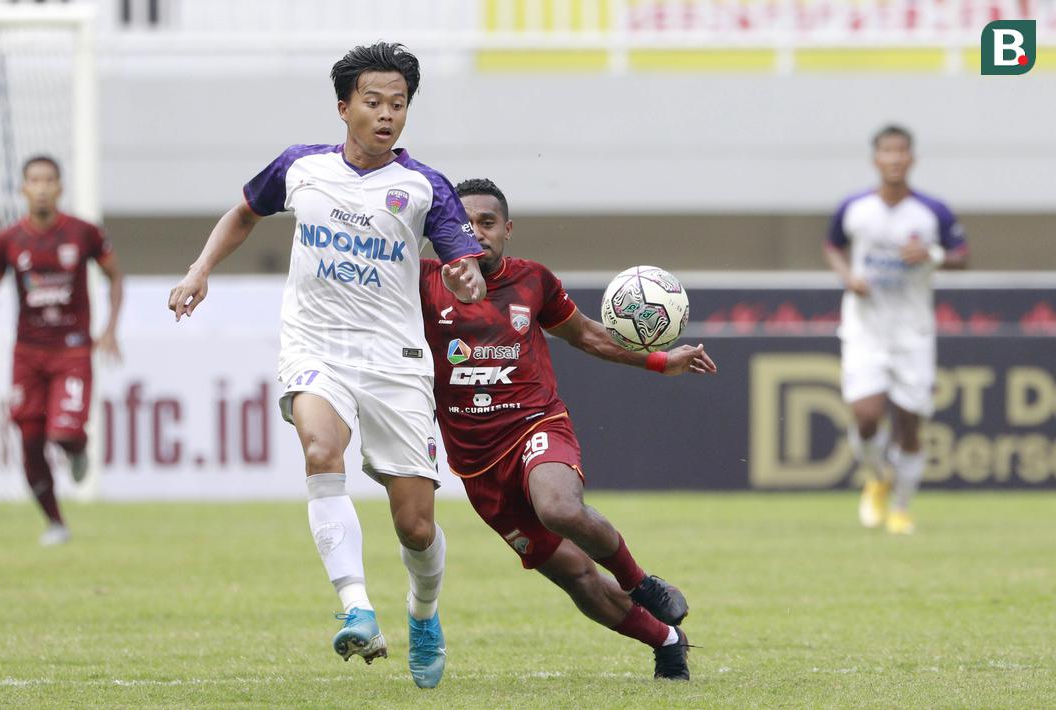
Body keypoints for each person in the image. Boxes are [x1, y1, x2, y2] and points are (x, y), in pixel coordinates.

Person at [166, 42, 485, 689]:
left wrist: (466, 279)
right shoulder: (300, 167)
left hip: (394, 362)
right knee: (318, 449)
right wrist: (201, 269)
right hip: (316, 347)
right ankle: (356, 608)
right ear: (343, 107)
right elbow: (243, 213)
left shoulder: (423, 186)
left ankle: (422, 614)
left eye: (397, 104)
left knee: (415, 525)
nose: (386, 114)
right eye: (373, 102)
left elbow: (464, 264)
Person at [420, 178, 717, 681]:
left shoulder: (533, 280)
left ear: (507, 229)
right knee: (577, 577)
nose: (477, 233)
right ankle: (667, 641)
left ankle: (641, 582)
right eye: (464, 224)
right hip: (476, 463)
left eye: (488, 223)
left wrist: (660, 361)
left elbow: (588, 336)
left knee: (558, 507)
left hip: (536, 425)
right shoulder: (422, 280)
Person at [824, 125, 968, 535]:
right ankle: (875, 478)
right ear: (876, 159)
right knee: (866, 415)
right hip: (866, 327)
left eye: (901, 151)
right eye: (887, 151)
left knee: (910, 423)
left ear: (911, 159)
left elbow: (963, 255)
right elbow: (831, 244)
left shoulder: (931, 211)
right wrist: (847, 275)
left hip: (913, 332)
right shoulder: (854, 207)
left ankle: (901, 507)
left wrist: (933, 254)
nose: (894, 158)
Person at [0, 154, 123, 546]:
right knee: (28, 439)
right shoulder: (9, 240)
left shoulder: (82, 234)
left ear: (59, 187)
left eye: (48, 180)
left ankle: (79, 448)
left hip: (72, 349)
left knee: (64, 430)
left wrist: (109, 329)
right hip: (27, 353)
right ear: (23, 188)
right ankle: (55, 522)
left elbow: (114, 275)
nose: (41, 187)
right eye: (34, 180)